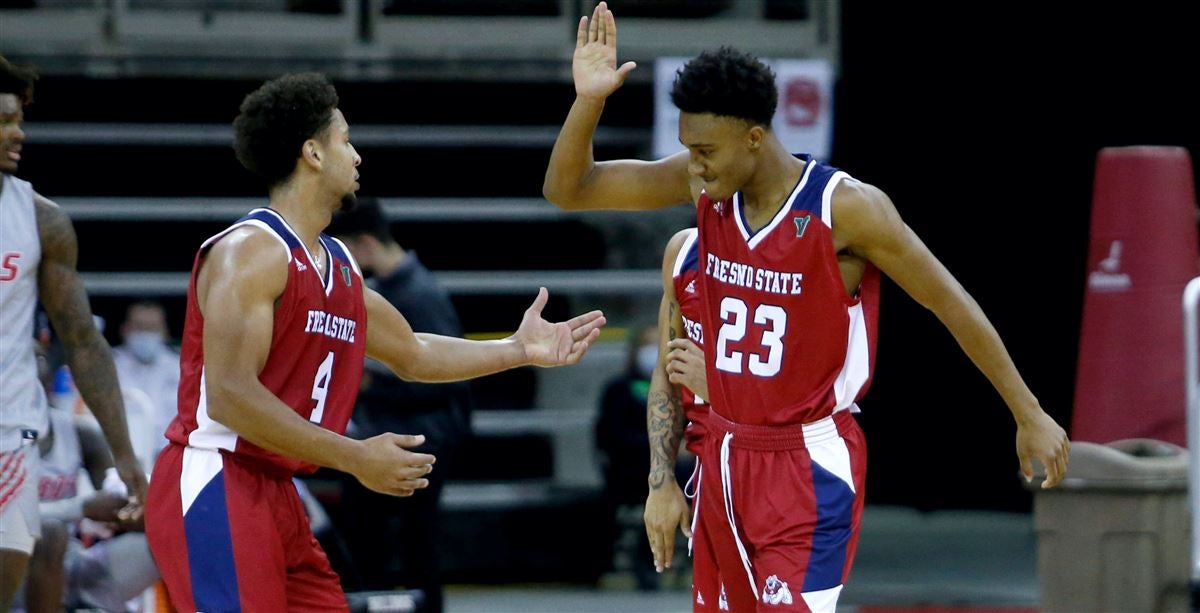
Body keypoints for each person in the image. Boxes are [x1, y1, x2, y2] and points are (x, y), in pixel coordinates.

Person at [543, 5, 1070, 611]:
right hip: (722, 456)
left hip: (807, 462)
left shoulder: (845, 209)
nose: (695, 164)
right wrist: (589, 100)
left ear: (755, 137)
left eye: (706, 150)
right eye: (688, 149)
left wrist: (1028, 412)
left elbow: (950, 304)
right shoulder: (705, 184)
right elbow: (570, 189)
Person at [143, 72, 606, 613]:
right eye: (345, 140)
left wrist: (518, 349)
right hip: (217, 478)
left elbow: (413, 353)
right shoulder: (251, 253)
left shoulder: (339, 265)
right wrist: (355, 456)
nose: (357, 155)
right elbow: (229, 396)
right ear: (313, 153)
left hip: (279, 489)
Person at [0, 55, 148, 610]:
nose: (19, 133)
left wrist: (125, 453)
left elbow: (83, 341)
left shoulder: (41, 220)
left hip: (10, 430)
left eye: (20, 119)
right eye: (4, 120)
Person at [326, 196, 472, 612]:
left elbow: (447, 378)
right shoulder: (391, 289)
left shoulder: (418, 294)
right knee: (384, 543)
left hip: (421, 437)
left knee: (410, 546)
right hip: (400, 431)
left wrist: (369, 384)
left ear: (366, 244)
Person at [642, 227, 718, 597]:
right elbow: (666, 373)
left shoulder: (807, 238)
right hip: (713, 472)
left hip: (788, 466)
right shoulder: (685, 249)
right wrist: (661, 479)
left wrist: (721, 386)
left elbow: (812, 389)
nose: (700, 167)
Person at [594, 323, 661, 590]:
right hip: (627, 471)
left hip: (665, 473)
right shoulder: (619, 389)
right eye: (648, 344)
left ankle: (653, 562)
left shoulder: (679, 388)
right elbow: (610, 435)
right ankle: (600, 566)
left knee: (674, 489)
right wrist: (655, 446)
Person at [112, 300, 181, 472]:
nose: (146, 334)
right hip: (119, 459)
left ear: (164, 331)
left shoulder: (180, 368)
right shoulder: (108, 365)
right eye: (140, 327)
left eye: (152, 328)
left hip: (171, 458)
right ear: (125, 329)